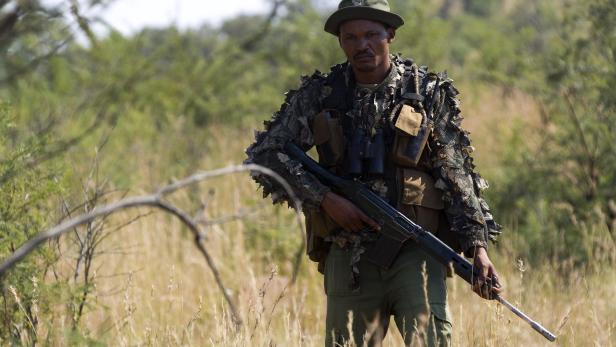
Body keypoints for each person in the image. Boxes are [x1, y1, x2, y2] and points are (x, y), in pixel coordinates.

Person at [245, 0, 503, 345]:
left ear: (390, 35)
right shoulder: (322, 94)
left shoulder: (425, 92)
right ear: (340, 41)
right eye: (350, 37)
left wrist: (478, 247)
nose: (361, 45)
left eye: (370, 35)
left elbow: (456, 172)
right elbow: (265, 154)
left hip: (416, 250)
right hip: (348, 253)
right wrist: (325, 198)